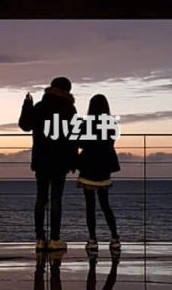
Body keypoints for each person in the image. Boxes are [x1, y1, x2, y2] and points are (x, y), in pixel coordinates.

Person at [18, 76, 78, 251]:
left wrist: (27, 105)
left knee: (41, 199)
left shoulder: (40, 107)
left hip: (42, 159)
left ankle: (39, 238)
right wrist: (74, 160)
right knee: (56, 199)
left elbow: (25, 125)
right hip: (61, 160)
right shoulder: (69, 109)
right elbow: (73, 137)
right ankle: (55, 239)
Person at [76, 94, 120, 252]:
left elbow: (79, 142)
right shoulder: (111, 124)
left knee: (90, 206)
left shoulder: (85, 124)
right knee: (106, 205)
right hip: (105, 166)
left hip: (88, 165)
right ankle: (115, 237)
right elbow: (112, 140)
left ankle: (92, 239)